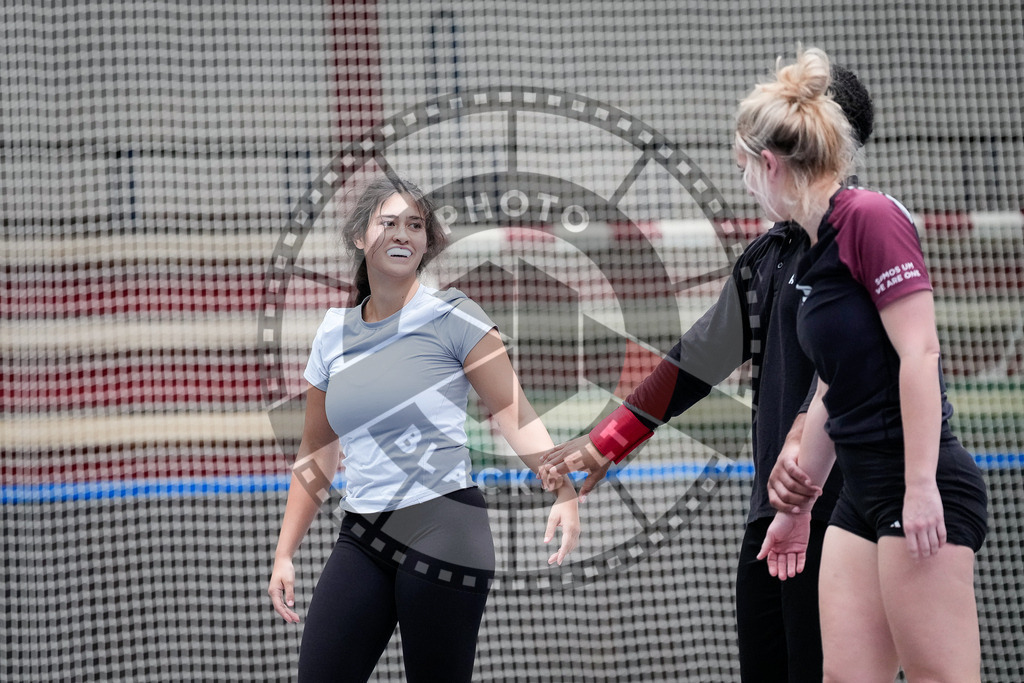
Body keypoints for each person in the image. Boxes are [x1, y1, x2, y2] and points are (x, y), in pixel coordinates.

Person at [539, 64, 874, 682]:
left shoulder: (866, 236)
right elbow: (694, 362)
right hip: (770, 516)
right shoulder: (767, 256)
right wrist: (603, 445)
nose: (746, 177)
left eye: (754, 159)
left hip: (848, 514)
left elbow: (868, 372)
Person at [735, 48, 988, 681]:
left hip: (915, 481)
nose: (745, 182)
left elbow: (920, 352)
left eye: (744, 168)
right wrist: (796, 510)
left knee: (941, 674)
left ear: (769, 164)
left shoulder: (872, 216)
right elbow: (831, 388)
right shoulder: (812, 251)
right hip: (857, 497)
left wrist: (922, 484)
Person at [267, 175, 580, 683]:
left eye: (415, 225)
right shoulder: (332, 332)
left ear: (427, 242)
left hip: (445, 529)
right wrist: (285, 552)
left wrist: (563, 486)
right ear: (359, 237)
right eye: (388, 223)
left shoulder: (455, 316)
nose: (403, 234)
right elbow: (317, 451)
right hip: (362, 534)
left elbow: (514, 414)